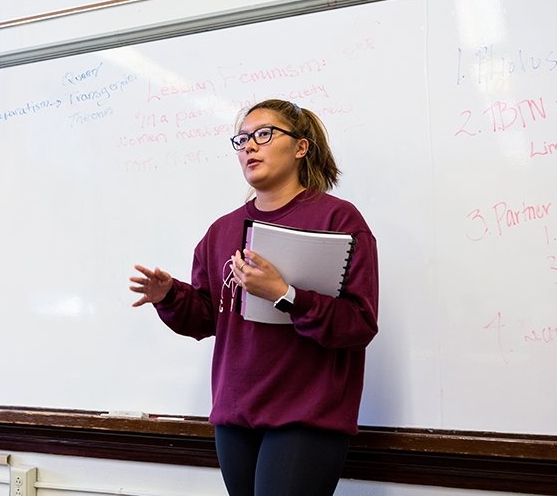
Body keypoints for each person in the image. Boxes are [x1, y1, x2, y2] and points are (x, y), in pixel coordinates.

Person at [130, 99, 378, 495]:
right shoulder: (221, 231)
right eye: (242, 139)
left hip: (305, 416)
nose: (249, 146)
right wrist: (170, 296)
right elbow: (207, 319)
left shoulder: (338, 220)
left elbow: (358, 324)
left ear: (301, 147)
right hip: (234, 416)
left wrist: (285, 294)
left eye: (264, 134)